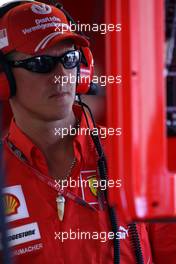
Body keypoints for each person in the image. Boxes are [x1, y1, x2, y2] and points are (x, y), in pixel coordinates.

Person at [0, 1, 157, 263]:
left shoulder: (134, 156)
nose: (61, 75)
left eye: (69, 59)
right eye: (41, 63)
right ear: (4, 78)